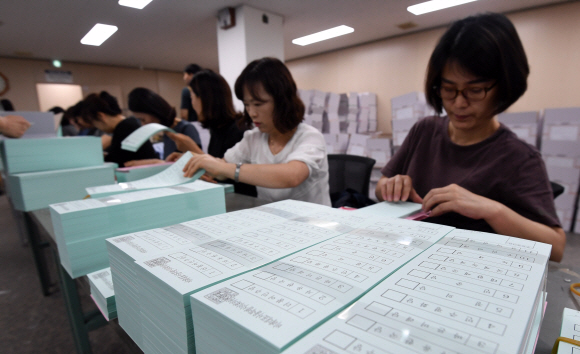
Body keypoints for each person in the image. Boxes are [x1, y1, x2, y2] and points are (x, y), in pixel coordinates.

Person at [375, 13, 565, 261]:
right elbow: (381, 187)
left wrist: (492, 210)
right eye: (448, 89)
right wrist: (389, 187)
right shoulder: (425, 130)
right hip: (408, 258)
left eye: (475, 90)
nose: (459, 103)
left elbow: (557, 247)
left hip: (468, 271)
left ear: (504, 87)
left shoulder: (519, 158)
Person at [181, 57, 331, 206]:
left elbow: (292, 176)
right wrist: (200, 163)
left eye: (258, 104)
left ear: (283, 101)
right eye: (247, 105)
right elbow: (222, 166)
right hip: (273, 221)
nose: (252, 113)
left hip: (313, 223)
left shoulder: (310, 137)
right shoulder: (253, 138)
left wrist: (222, 167)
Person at [166, 69, 256, 196]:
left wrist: (193, 149)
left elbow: (233, 176)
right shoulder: (217, 128)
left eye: (192, 97)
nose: (192, 104)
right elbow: (219, 169)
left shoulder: (238, 131)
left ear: (204, 98)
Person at [125, 87, 202, 165]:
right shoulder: (167, 131)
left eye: (143, 119)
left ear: (154, 111)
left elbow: (200, 163)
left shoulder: (186, 128)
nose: (143, 125)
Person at [79, 91, 157, 167]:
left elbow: (115, 164)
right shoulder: (128, 124)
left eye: (94, 123)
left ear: (100, 116)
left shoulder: (124, 128)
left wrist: (97, 149)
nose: (97, 127)